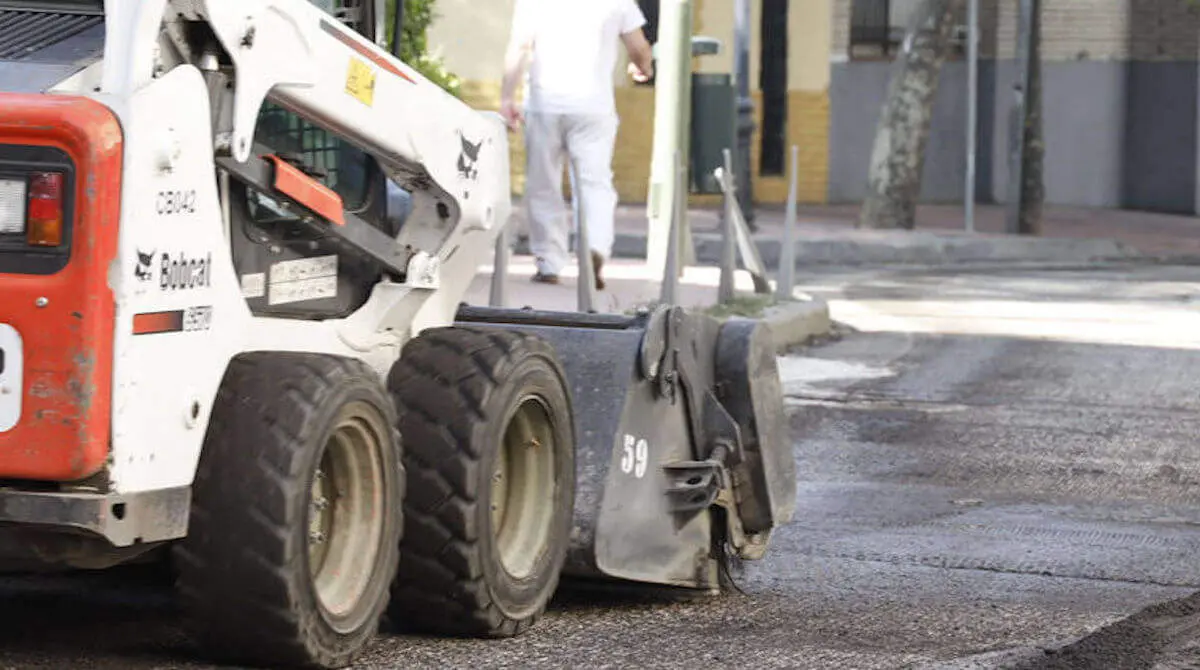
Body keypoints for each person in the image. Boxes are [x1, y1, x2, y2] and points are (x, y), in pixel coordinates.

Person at [500, 0, 655, 290]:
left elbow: (521, 46)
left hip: (545, 104)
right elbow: (639, 47)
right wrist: (642, 67)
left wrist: (507, 96)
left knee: (542, 184)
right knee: (594, 183)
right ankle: (593, 247)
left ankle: (548, 262)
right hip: (593, 107)